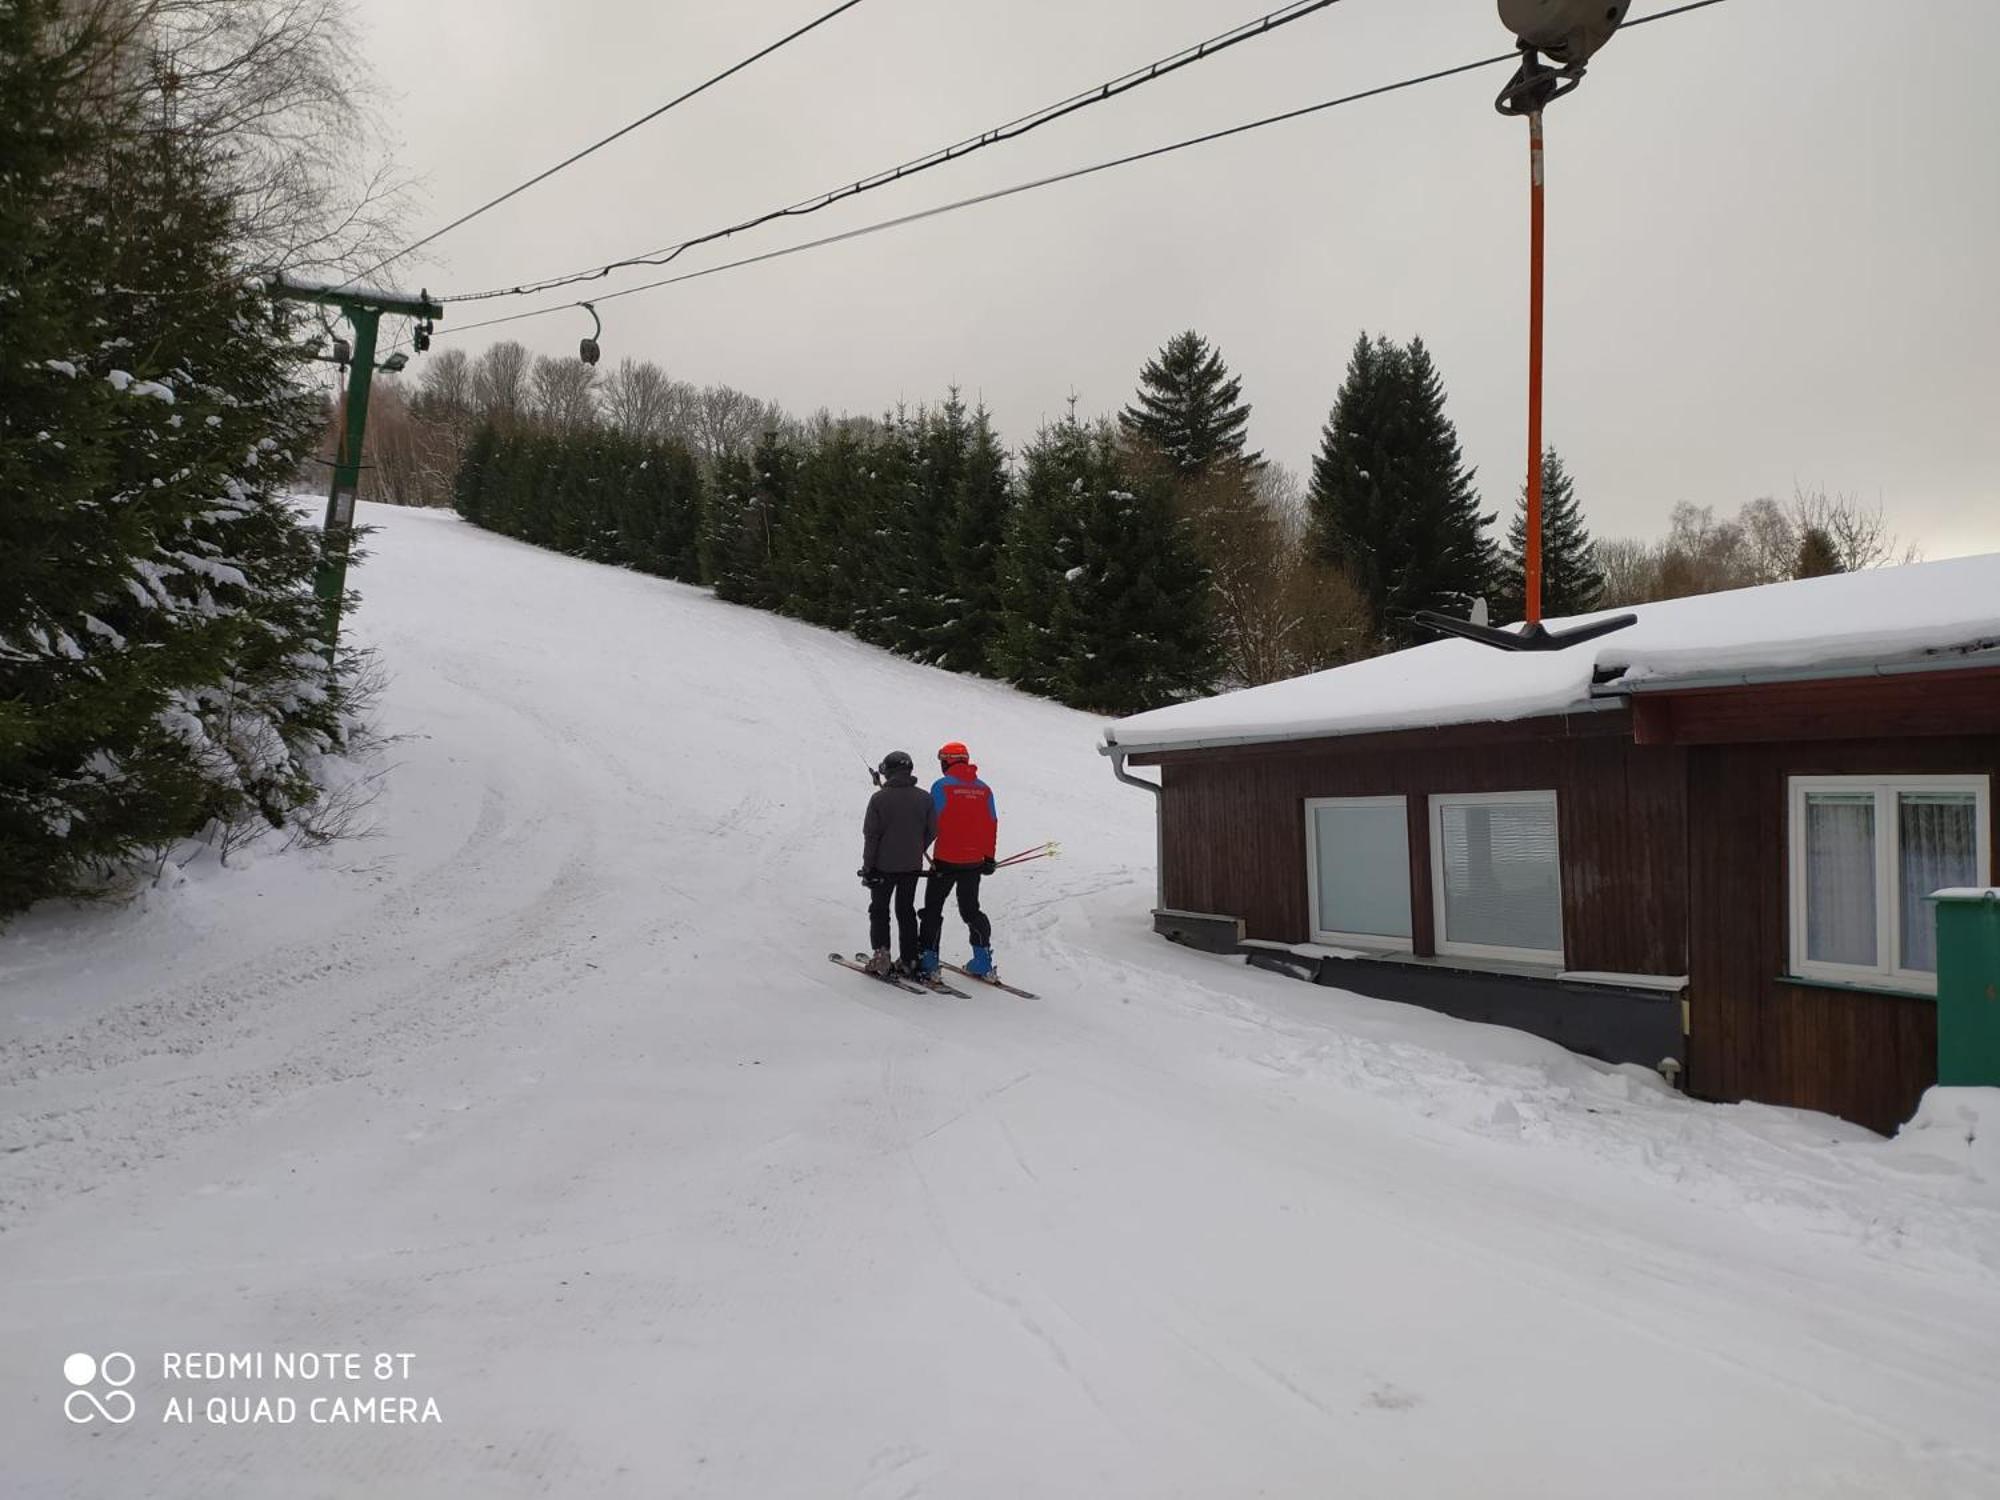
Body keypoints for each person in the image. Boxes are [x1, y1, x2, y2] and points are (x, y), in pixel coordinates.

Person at [919, 740, 998, 978]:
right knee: (971, 909)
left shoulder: (941, 786)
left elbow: (932, 822)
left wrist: (919, 848)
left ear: (947, 761)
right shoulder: (984, 789)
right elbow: (991, 824)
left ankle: (929, 961)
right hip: (973, 861)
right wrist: (989, 858)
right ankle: (982, 961)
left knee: (933, 909)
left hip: (945, 860)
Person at [859, 750, 935, 977]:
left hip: (883, 866)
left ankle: (882, 957)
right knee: (906, 910)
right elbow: (932, 830)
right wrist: (916, 848)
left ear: (889, 771)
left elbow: (871, 835)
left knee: (879, 909)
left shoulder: (879, 799)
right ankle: (910, 958)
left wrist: (868, 867)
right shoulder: (925, 798)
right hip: (911, 866)